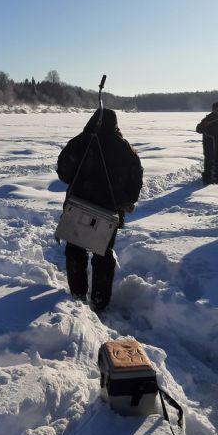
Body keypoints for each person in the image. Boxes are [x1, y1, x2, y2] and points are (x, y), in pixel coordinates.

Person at [57, 108, 143, 311]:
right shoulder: (125, 149)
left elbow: (64, 173)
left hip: (79, 204)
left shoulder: (79, 142)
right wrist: (127, 200)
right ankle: (100, 300)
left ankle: (78, 294)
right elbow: (135, 181)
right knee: (103, 253)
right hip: (109, 210)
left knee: (75, 248)